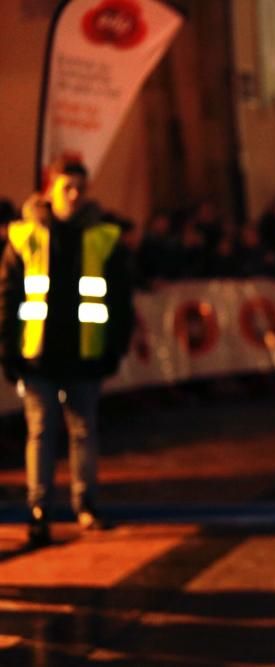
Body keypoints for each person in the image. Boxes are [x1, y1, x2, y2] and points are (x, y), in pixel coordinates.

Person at [0, 159, 134, 548]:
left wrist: (115, 347)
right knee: (41, 431)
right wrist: (9, 350)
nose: (74, 195)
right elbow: (7, 295)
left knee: (84, 431)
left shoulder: (103, 237)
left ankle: (85, 504)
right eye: (66, 187)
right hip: (37, 354)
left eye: (80, 187)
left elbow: (120, 298)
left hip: (84, 352)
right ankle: (39, 510)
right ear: (49, 189)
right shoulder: (24, 236)